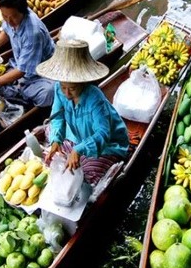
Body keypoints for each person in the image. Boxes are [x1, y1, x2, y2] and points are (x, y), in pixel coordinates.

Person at [37, 39, 130, 187]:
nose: (66, 94)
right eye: (63, 87)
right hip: (78, 136)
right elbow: (58, 117)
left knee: (88, 174)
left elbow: (103, 134)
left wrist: (79, 149)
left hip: (107, 144)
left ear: (82, 82)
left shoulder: (95, 98)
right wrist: (56, 140)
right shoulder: (58, 90)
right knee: (50, 132)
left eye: (72, 88)